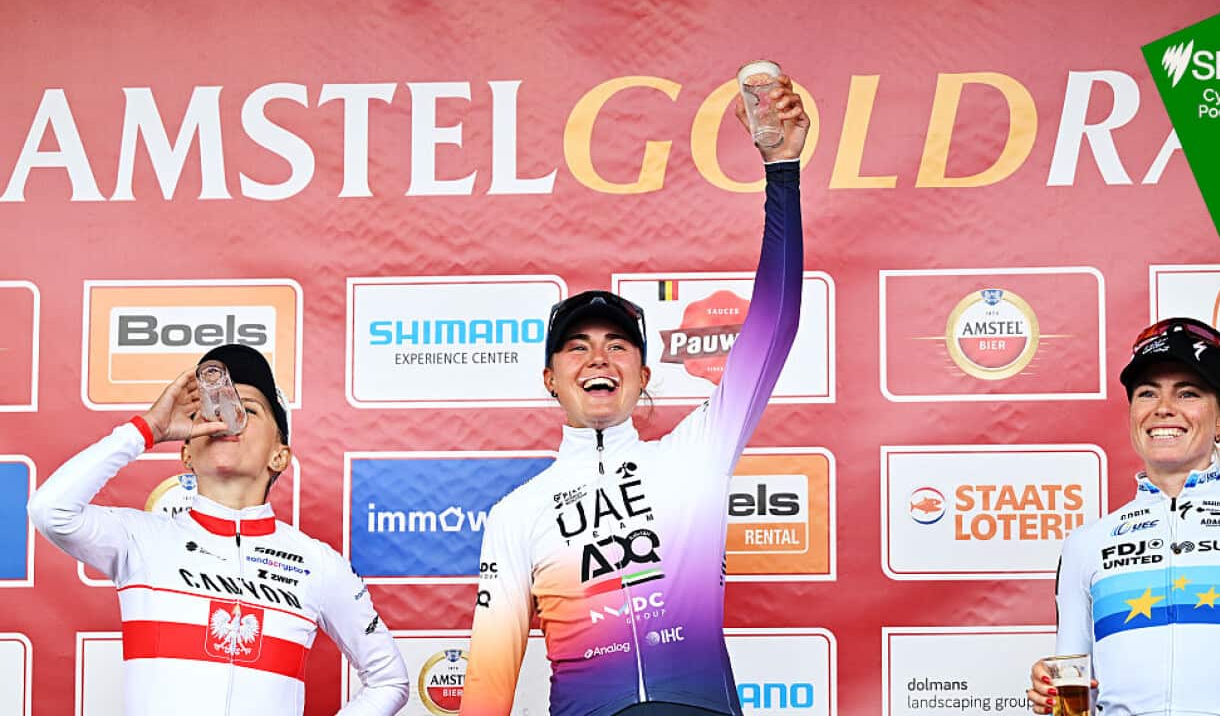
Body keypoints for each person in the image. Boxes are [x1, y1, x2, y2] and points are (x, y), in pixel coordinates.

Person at [459, 73, 808, 716]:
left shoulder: (694, 455)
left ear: (643, 376)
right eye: (577, 347)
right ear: (550, 380)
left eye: (617, 345)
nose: (598, 358)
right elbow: (485, 687)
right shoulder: (516, 514)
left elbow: (775, 325)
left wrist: (781, 170)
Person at [28, 344, 409, 715]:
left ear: (280, 455)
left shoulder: (318, 563)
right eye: (210, 412)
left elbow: (389, 681)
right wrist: (147, 430)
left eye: (248, 410)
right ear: (186, 453)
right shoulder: (140, 540)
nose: (226, 419)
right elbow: (50, 510)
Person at [1028, 317, 1220, 715]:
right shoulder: (1086, 544)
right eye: (1147, 393)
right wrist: (1049, 696)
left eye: (1188, 393)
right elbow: (1072, 694)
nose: (1163, 409)